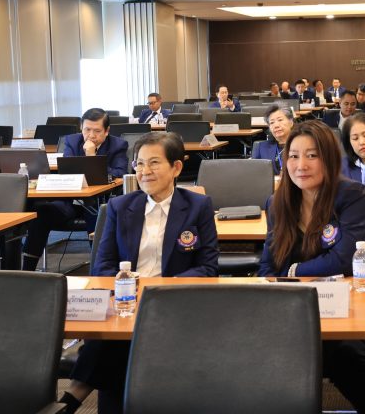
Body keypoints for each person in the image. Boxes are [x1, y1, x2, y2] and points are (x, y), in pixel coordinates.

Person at [59, 131, 219, 414]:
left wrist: (160, 288)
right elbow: (103, 266)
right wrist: (130, 289)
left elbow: (207, 268)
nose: (144, 171)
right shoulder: (120, 207)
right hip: (126, 300)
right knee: (118, 333)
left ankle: (72, 396)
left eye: (154, 163)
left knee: (120, 340)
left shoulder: (198, 207)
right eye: (139, 163)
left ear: (176, 168)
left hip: (174, 301)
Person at [258, 120, 365, 414]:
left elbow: (343, 259)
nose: (301, 165)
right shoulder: (277, 203)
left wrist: (291, 272)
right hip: (297, 309)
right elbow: (267, 267)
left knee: (339, 351)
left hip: (351, 306)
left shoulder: (351, 195)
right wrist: (281, 278)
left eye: (312, 155)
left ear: (328, 158)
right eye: (293, 156)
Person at [22, 108, 128, 271]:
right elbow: (67, 169)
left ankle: (98, 269)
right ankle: (27, 270)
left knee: (96, 212)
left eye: (97, 131)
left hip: (100, 202)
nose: (91, 135)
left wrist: (91, 156)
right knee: (41, 212)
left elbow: (120, 173)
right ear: (81, 128)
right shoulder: (72, 141)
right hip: (70, 202)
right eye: (87, 130)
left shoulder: (118, 145)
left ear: (106, 131)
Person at [253, 105, 295, 175]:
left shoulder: (302, 145)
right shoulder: (261, 148)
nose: (276, 125)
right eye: (272, 122)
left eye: (280, 120)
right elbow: (254, 173)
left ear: (291, 122)